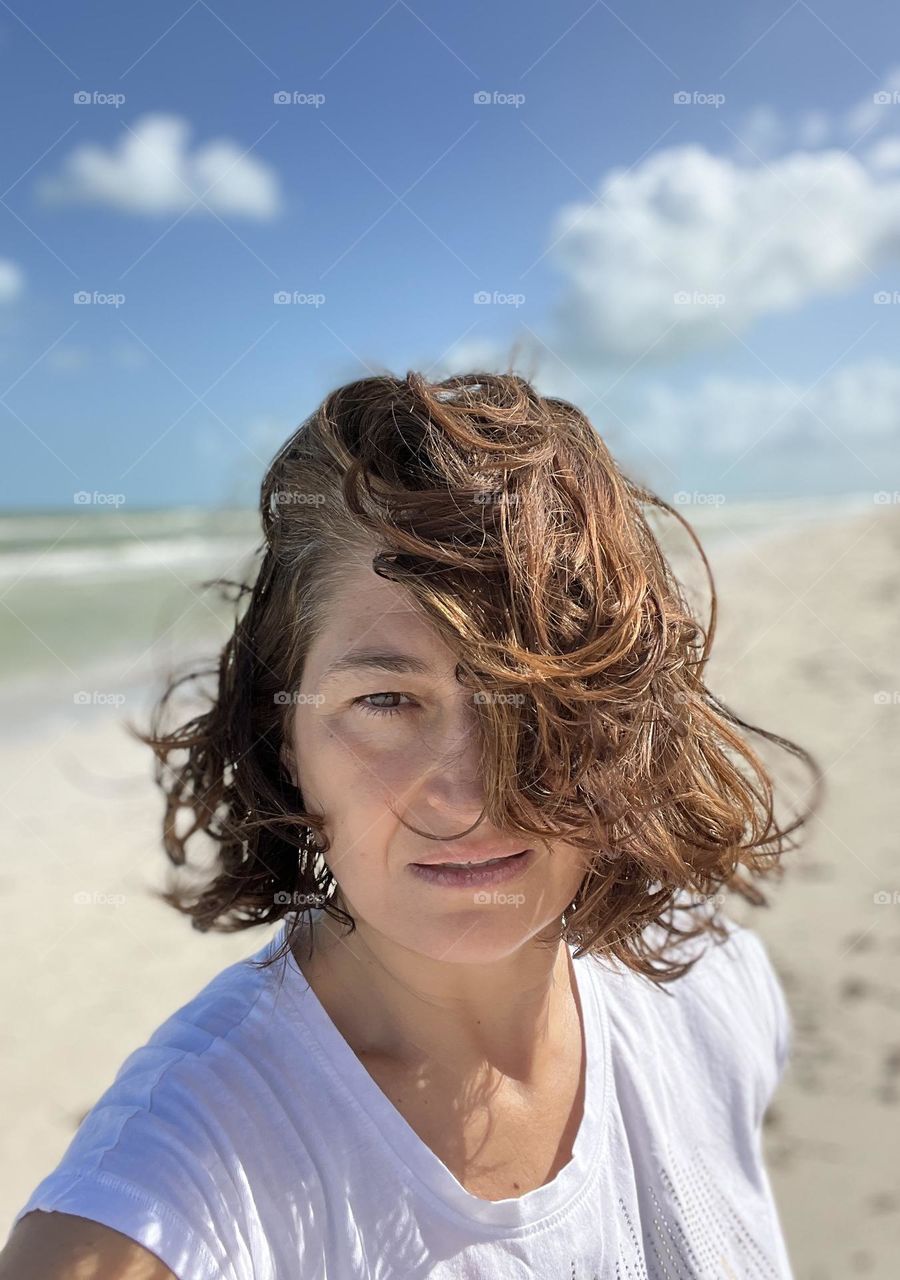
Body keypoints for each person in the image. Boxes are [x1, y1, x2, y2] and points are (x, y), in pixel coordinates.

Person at [1, 370, 821, 1279]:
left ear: (624, 715)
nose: (466, 798)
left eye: (530, 698)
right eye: (385, 701)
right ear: (284, 738)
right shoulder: (180, 1186)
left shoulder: (715, 993)